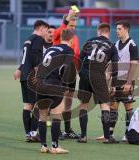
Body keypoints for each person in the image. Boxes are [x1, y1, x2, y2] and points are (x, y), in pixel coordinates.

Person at [32, 29, 76, 154]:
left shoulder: (52, 48)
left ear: (61, 38)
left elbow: (41, 65)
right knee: (57, 115)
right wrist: (66, 85)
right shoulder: (68, 50)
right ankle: (55, 147)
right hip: (54, 84)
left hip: (40, 84)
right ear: (71, 40)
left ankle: (43, 146)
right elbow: (67, 67)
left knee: (43, 116)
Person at [96, 20, 139, 142]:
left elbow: (134, 65)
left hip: (126, 80)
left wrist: (129, 82)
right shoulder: (114, 44)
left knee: (128, 106)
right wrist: (108, 81)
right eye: (117, 29)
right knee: (113, 106)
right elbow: (110, 64)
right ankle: (110, 134)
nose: (117, 31)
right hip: (115, 81)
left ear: (126, 30)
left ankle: (127, 133)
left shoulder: (132, 45)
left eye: (119, 29)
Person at [77, 23, 119, 143]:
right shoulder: (112, 46)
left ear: (98, 31)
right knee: (105, 105)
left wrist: (81, 73)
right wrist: (114, 85)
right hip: (98, 75)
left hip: (85, 73)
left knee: (83, 105)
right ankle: (106, 137)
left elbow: (79, 59)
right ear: (108, 32)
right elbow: (115, 67)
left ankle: (83, 136)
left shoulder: (90, 41)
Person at [13, 20, 49, 142]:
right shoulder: (39, 39)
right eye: (46, 30)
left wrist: (20, 69)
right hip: (33, 76)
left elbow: (26, 58)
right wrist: (38, 69)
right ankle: (34, 132)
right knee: (39, 104)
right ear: (40, 28)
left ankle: (29, 134)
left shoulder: (27, 40)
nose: (46, 32)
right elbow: (34, 57)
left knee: (28, 105)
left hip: (24, 75)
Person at [52, 9, 80, 139]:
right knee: (58, 102)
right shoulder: (59, 35)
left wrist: (79, 72)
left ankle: (67, 130)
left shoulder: (75, 38)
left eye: (75, 26)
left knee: (68, 102)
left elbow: (77, 56)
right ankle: (56, 130)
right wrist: (69, 16)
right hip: (59, 72)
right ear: (66, 24)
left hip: (71, 72)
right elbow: (62, 26)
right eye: (71, 25)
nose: (73, 28)